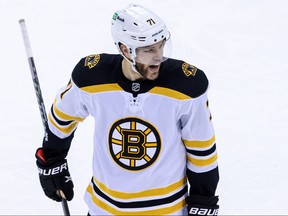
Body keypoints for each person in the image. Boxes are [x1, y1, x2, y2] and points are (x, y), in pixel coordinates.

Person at [35, 3, 219, 215]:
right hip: (104, 210)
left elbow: (202, 151)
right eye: (148, 49)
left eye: (161, 45)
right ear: (124, 49)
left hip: (167, 210)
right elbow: (62, 117)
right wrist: (52, 159)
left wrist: (203, 200)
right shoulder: (91, 78)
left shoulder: (186, 88)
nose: (158, 56)